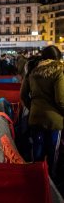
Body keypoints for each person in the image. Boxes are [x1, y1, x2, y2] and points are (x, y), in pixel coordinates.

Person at [20, 45, 63, 180]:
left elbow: (23, 95)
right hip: (54, 121)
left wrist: (33, 107)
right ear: (57, 58)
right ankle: (51, 182)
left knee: (37, 151)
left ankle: (36, 179)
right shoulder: (59, 72)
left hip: (35, 118)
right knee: (53, 154)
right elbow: (61, 100)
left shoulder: (32, 71)